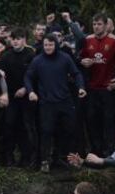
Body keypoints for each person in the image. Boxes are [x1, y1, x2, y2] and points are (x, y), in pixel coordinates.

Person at [25, 34, 86, 172]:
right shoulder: (37, 60)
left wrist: (81, 87)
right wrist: (30, 91)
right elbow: (28, 76)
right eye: (46, 45)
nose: (48, 47)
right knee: (46, 132)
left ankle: (64, 159)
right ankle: (45, 160)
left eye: (51, 45)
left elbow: (76, 73)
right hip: (46, 103)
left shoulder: (65, 58)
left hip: (65, 100)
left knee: (69, 130)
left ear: (56, 45)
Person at [80, 13, 115, 157]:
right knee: (92, 120)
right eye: (94, 24)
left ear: (106, 25)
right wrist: (82, 61)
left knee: (108, 121)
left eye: (99, 24)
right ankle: (95, 150)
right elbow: (79, 58)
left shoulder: (114, 41)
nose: (96, 27)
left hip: (108, 88)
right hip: (92, 88)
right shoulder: (87, 40)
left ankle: (109, 151)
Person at [0, 27, 37, 167]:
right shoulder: (5, 55)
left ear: (24, 40)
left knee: (26, 127)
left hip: (27, 96)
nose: (15, 41)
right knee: (9, 125)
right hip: (10, 97)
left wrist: (25, 89)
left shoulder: (31, 54)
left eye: (19, 39)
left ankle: (27, 158)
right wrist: (4, 94)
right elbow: (1, 77)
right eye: (13, 39)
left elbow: (34, 75)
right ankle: (9, 157)